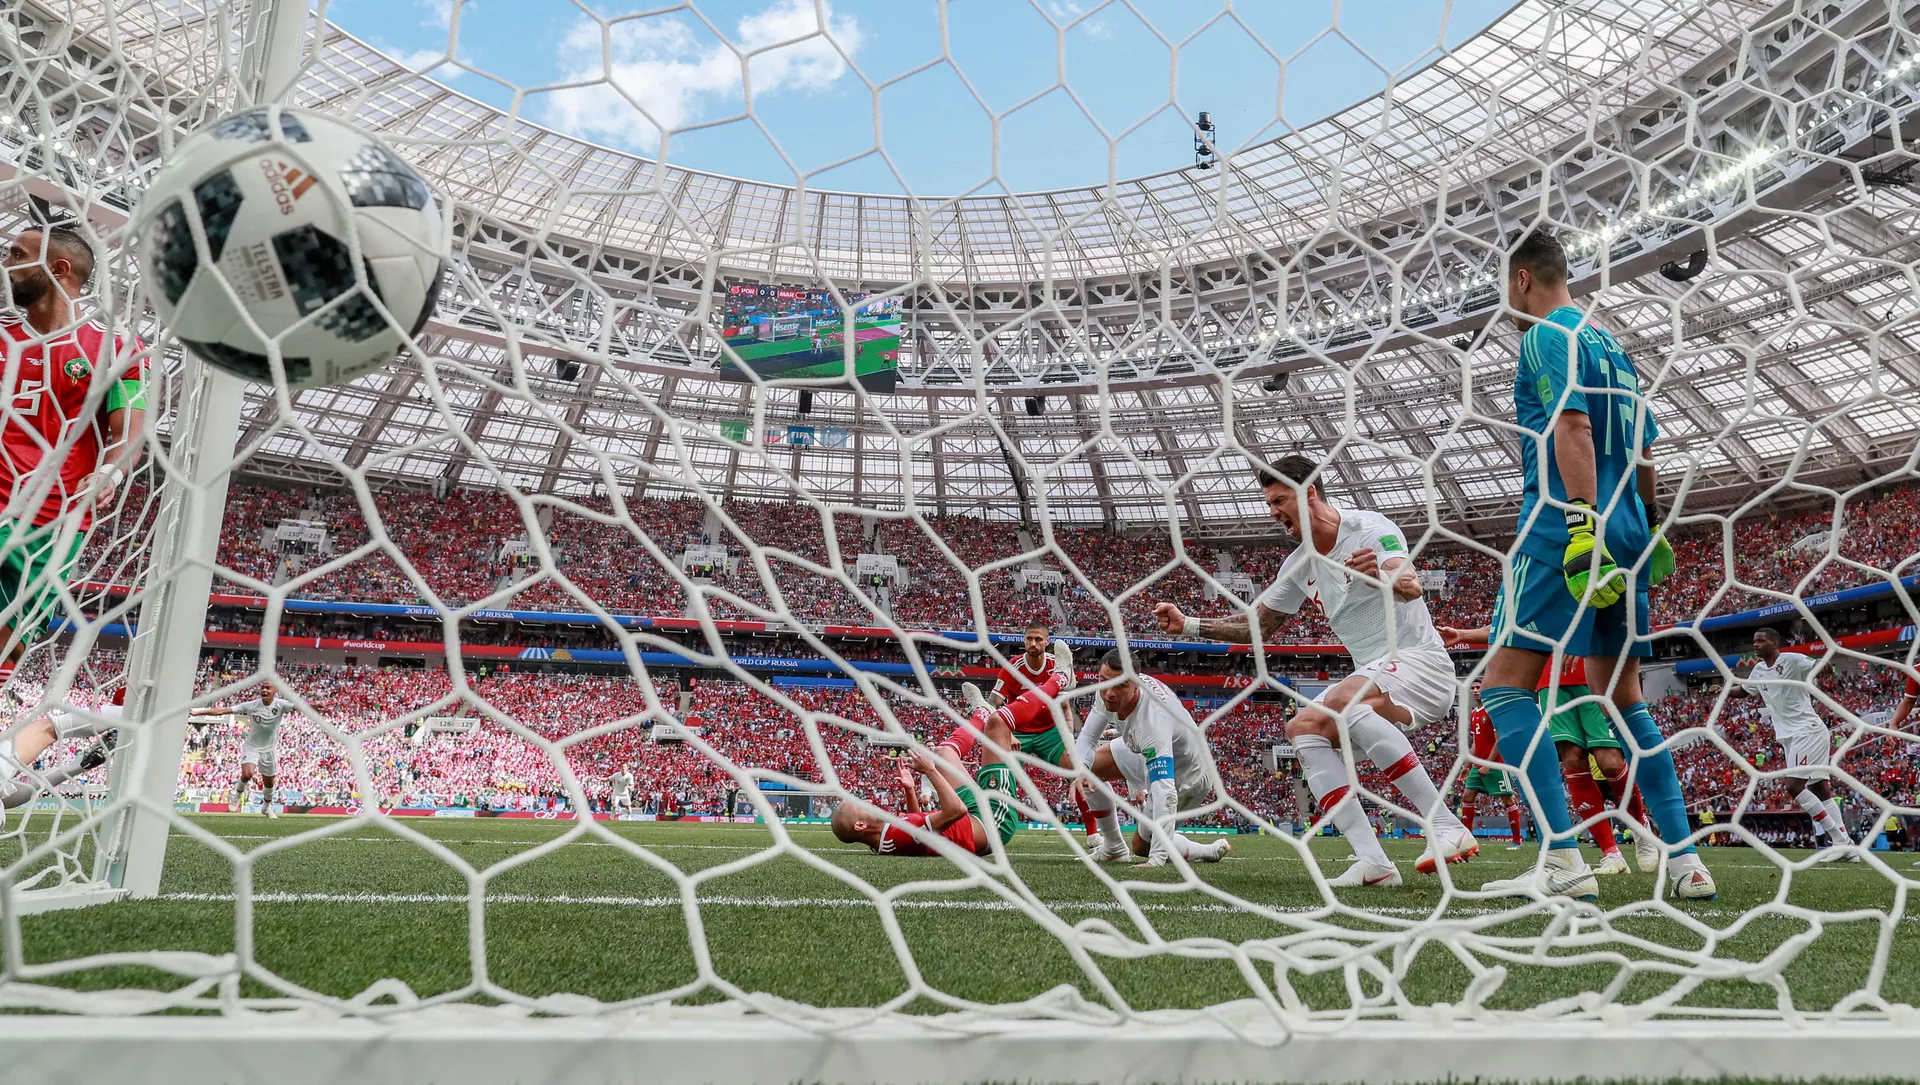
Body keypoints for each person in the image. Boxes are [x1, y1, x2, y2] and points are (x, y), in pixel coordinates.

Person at [1474, 228, 1712, 901]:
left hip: (1562, 529)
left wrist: (1581, 524)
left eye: (1504, 287)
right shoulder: (1613, 346)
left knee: (1504, 686)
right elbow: (1643, 453)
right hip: (1630, 533)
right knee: (1624, 697)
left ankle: (1562, 859)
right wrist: (1648, 524)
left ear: (1522, 279)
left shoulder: (1544, 336)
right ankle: (1687, 863)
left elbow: (1571, 426)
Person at [1152, 456, 1476, 887]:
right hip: (1379, 677)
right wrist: (1189, 625)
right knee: (1302, 728)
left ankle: (1446, 825)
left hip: (1421, 663)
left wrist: (1384, 578)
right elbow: (1258, 626)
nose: (1273, 512)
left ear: (1308, 493)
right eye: (1269, 503)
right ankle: (1374, 863)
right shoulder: (1299, 564)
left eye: (1279, 500)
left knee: (1343, 701)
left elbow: (1409, 583)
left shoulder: (1369, 529)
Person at [0, 226, 146, 768]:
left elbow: (129, 428)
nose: (6, 263)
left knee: (10, 647)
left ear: (58, 270)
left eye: (16, 255)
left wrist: (110, 471)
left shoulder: (117, 350)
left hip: (51, 525)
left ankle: (28, 750)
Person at [1441, 626, 1660, 874]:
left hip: (1591, 666)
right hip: (1551, 681)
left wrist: (1581, 637)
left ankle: (1641, 828)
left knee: (1610, 762)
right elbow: (1515, 625)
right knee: (1572, 759)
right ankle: (1611, 852)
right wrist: (1464, 635)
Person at [1070, 650, 1232, 868]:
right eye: (1104, 681)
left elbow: (1166, 792)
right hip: (1145, 750)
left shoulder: (1153, 721)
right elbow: (1088, 737)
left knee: (1141, 846)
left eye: (1120, 686)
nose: (1109, 693)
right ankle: (1113, 847)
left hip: (1186, 774)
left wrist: (1157, 859)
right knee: (1089, 766)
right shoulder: (1108, 690)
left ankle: (1208, 851)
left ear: (1136, 685)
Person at [1731, 628, 1857, 861]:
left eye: (1761, 641)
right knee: (1819, 788)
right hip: (1789, 736)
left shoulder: (1791, 660)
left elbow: (1816, 664)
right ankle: (1847, 848)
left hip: (1806, 731)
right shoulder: (1758, 670)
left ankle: (1841, 841)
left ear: (1774, 643)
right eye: (1754, 641)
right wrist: (1724, 691)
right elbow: (1744, 690)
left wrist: (1825, 666)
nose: (1756, 645)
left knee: (1793, 786)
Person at [969, 626, 1097, 833]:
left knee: (1078, 769)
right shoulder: (1012, 667)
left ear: (1047, 641)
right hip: (1018, 732)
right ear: (1024, 640)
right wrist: (1007, 733)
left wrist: (1068, 735)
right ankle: (984, 825)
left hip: (1050, 732)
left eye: (1038, 639)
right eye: (1029, 639)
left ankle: (1093, 832)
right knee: (995, 773)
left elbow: (1065, 707)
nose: (1033, 643)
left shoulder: (1056, 663)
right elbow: (994, 702)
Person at [191, 686, 294, 818]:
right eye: (263, 688)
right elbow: (223, 710)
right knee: (247, 774)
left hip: (269, 749)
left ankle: (266, 808)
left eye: (268, 688)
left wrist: (316, 706)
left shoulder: (281, 704)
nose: (264, 690)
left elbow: (301, 707)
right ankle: (236, 797)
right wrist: (200, 712)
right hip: (252, 747)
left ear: (275, 691)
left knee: (269, 782)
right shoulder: (252, 705)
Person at [1461, 681, 1527, 848]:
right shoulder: (1474, 714)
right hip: (1478, 764)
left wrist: (1488, 765)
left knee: (1507, 799)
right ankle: (1467, 841)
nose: (1475, 691)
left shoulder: (1492, 711)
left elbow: (1499, 741)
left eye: (1478, 688)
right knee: (1467, 797)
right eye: (1473, 688)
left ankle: (1517, 841)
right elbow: (1475, 744)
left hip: (1496, 764)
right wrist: (1467, 765)